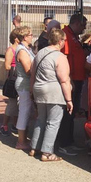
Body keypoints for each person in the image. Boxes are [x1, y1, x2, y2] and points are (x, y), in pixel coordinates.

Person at [28, 28, 73, 162]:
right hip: (54, 92)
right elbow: (64, 80)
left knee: (41, 119)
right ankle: (47, 152)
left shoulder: (40, 53)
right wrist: (69, 100)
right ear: (60, 41)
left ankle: (34, 147)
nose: (65, 42)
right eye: (64, 40)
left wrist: (32, 91)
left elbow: (32, 74)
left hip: (39, 89)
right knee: (53, 122)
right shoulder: (60, 57)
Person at [56, 14, 88, 156]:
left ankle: (69, 141)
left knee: (72, 113)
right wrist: (69, 79)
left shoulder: (73, 36)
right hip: (72, 80)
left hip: (78, 78)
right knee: (67, 113)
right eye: (82, 25)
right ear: (76, 23)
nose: (84, 28)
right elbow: (66, 60)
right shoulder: (67, 35)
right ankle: (63, 143)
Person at [14, 26, 35, 151]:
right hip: (24, 84)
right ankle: (21, 141)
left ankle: (23, 138)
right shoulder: (22, 51)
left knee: (26, 111)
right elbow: (28, 70)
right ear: (25, 37)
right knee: (24, 111)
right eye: (31, 35)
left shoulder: (27, 49)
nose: (32, 37)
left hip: (27, 84)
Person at [0, 29, 20, 137]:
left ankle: (15, 124)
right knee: (12, 104)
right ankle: (4, 125)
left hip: (20, 80)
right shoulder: (10, 50)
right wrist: (18, 66)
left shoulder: (23, 49)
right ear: (16, 38)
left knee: (18, 105)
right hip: (13, 80)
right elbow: (7, 66)